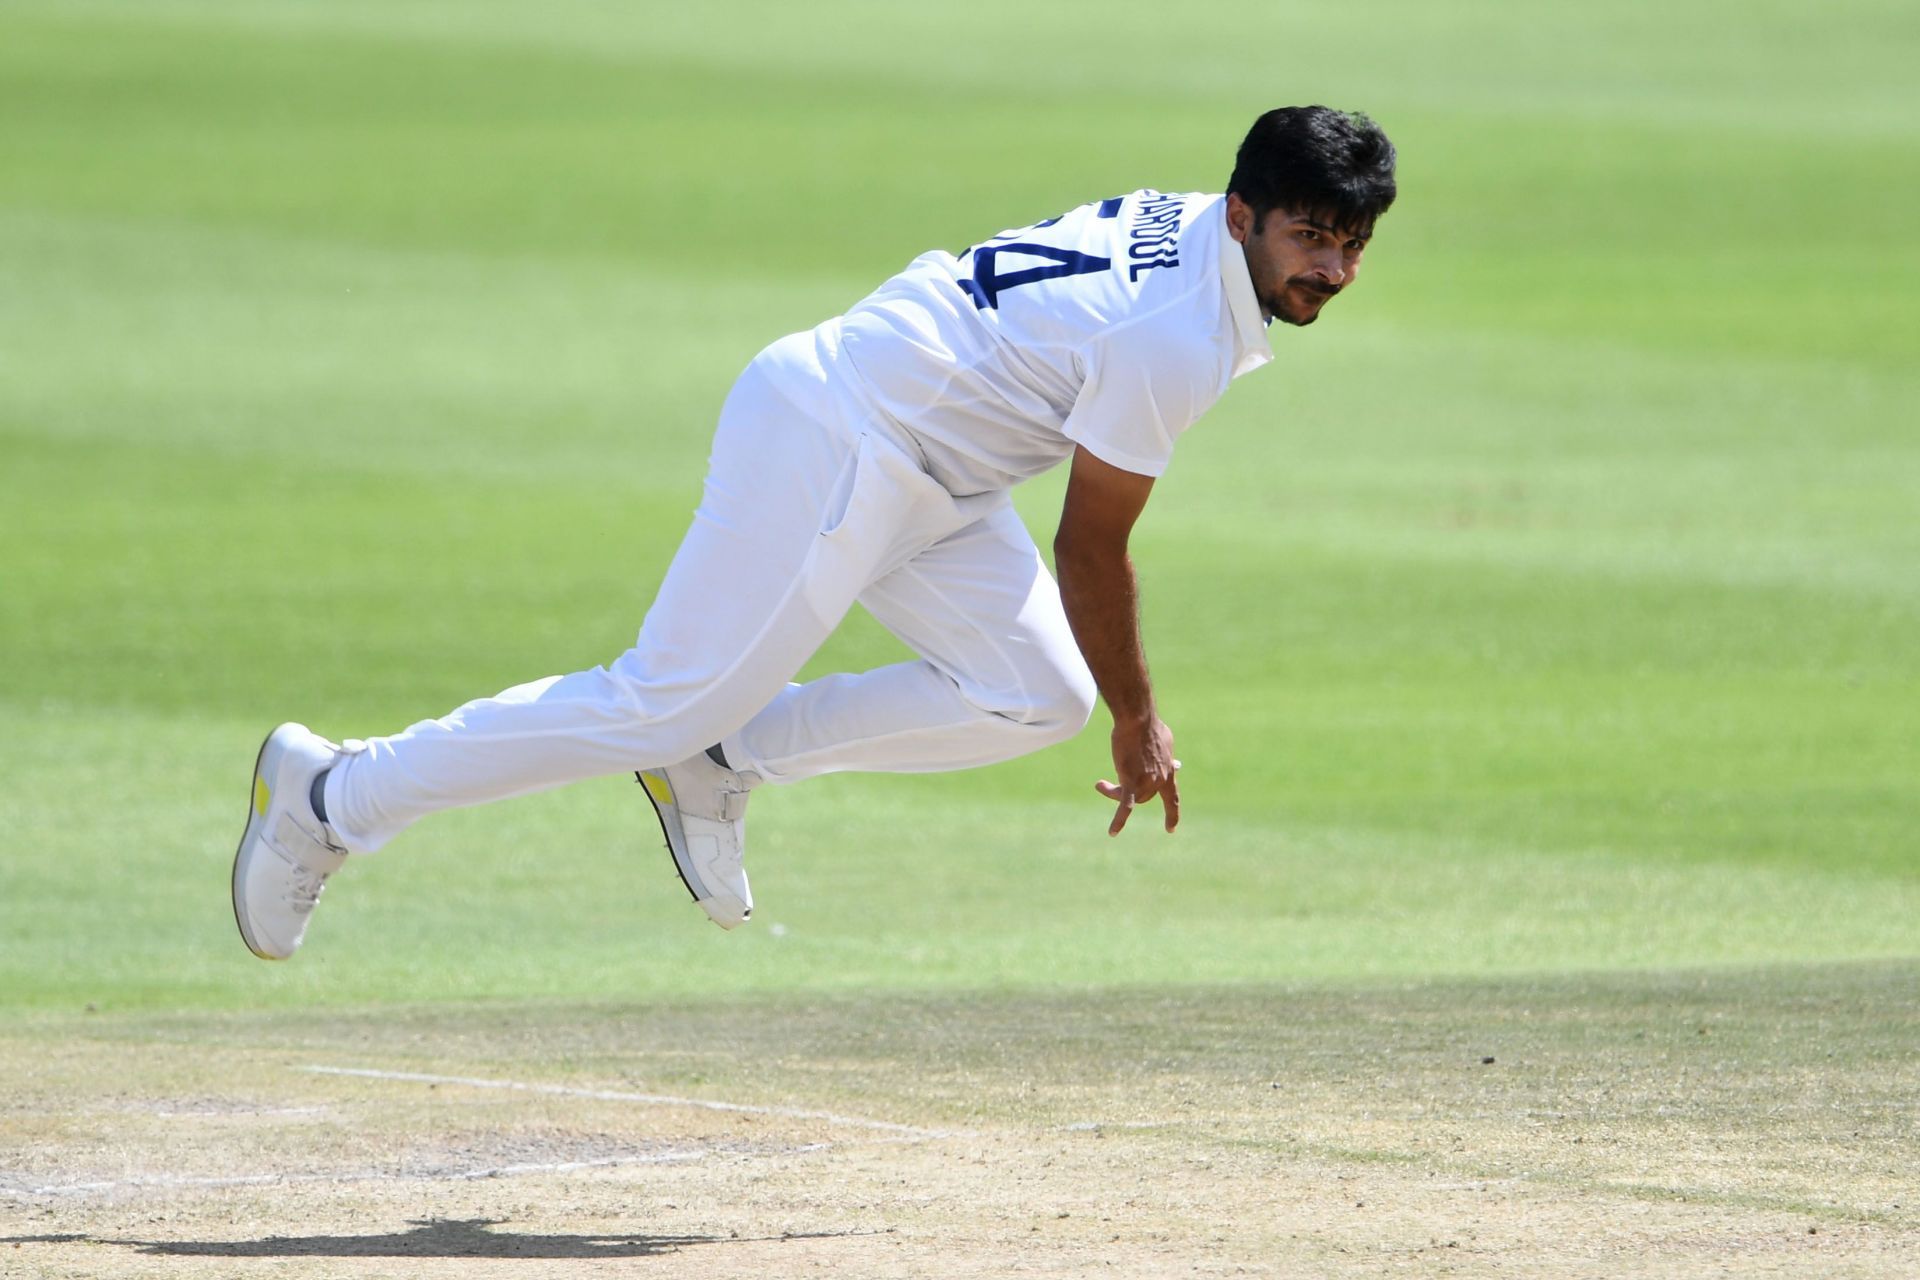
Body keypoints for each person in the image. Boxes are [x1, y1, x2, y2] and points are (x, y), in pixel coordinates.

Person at [231, 106, 1397, 960]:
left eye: (1351, 242)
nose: (1332, 267)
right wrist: (1144, 720)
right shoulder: (1176, 335)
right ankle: (332, 795)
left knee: (1035, 692)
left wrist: (1112, 703)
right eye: (1310, 236)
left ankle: (725, 759)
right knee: (657, 696)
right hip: (844, 439)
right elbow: (1091, 547)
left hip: (935, 466)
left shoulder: (1191, 226)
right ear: (1243, 212)